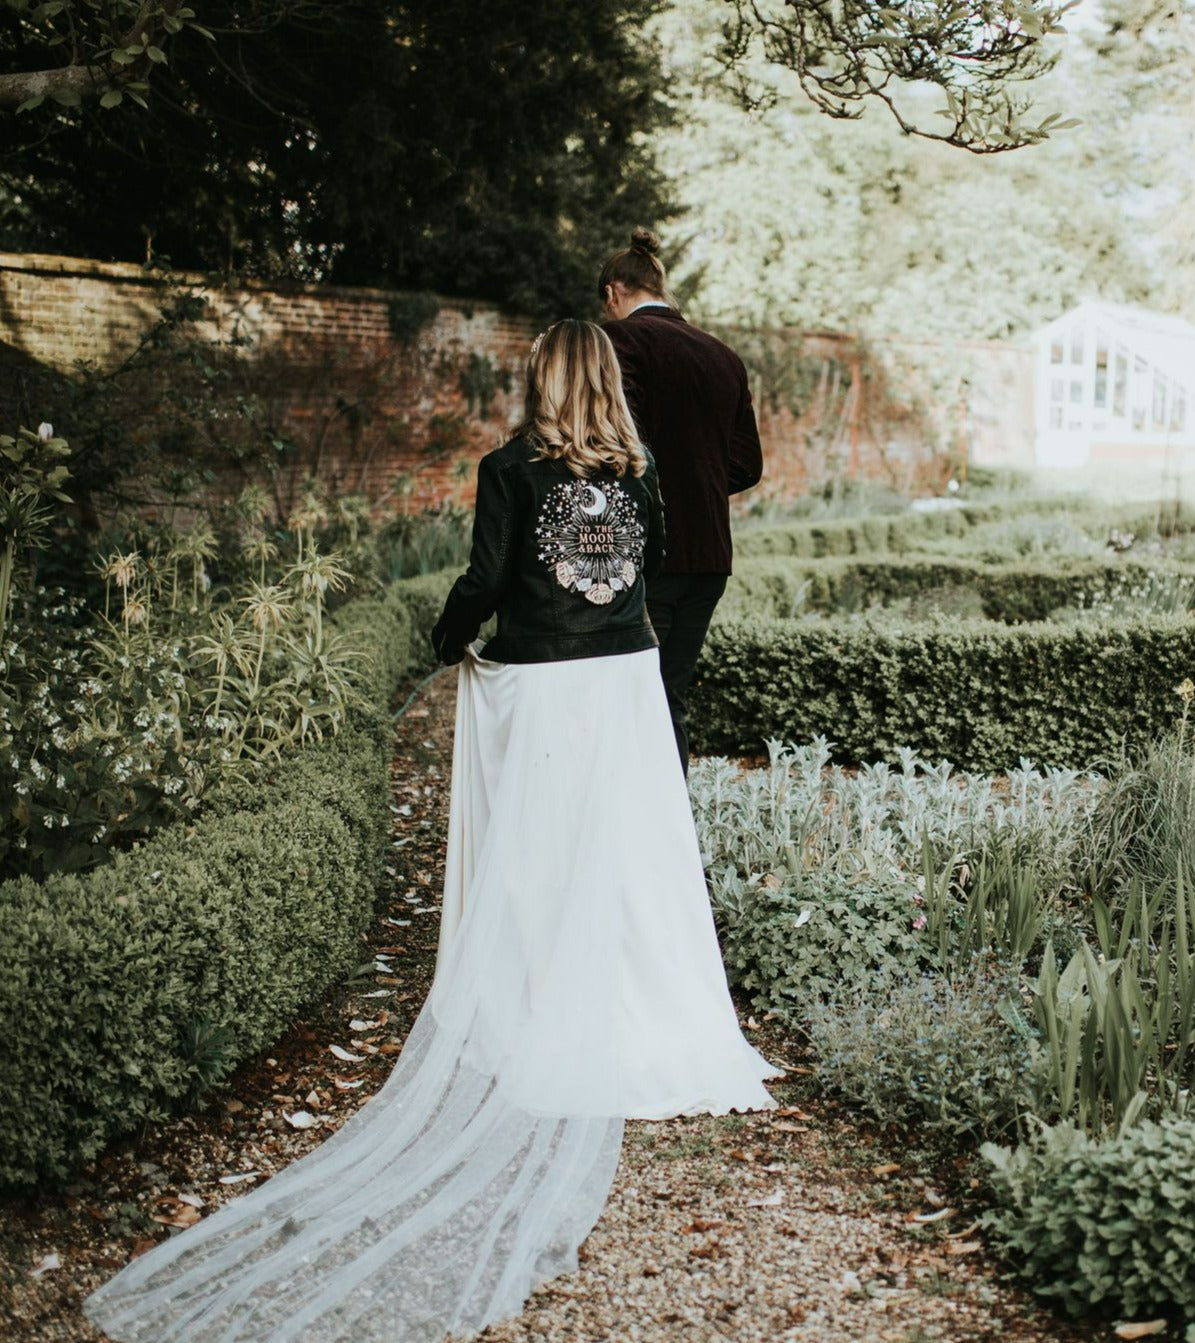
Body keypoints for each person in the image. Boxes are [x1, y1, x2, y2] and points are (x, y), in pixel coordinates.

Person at [83, 319, 777, 1343]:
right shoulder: (633, 474)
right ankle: (645, 1002)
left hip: (541, 682)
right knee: (627, 851)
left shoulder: (508, 468)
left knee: (537, 854)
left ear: (541, 379)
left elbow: (490, 579)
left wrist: (443, 643)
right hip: (623, 681)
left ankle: (539, 990)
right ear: (609, 385)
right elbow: (643, 577)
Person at [601, 228, 763, 775]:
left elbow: (623, 441)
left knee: (629, 699)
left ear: (613, 293)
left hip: (651, 553)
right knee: (668, 695)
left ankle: (637, 834)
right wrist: (701, 484)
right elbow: (748, 465)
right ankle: (670, 834)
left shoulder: (621, 341)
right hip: (710, 557)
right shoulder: (725, 356)